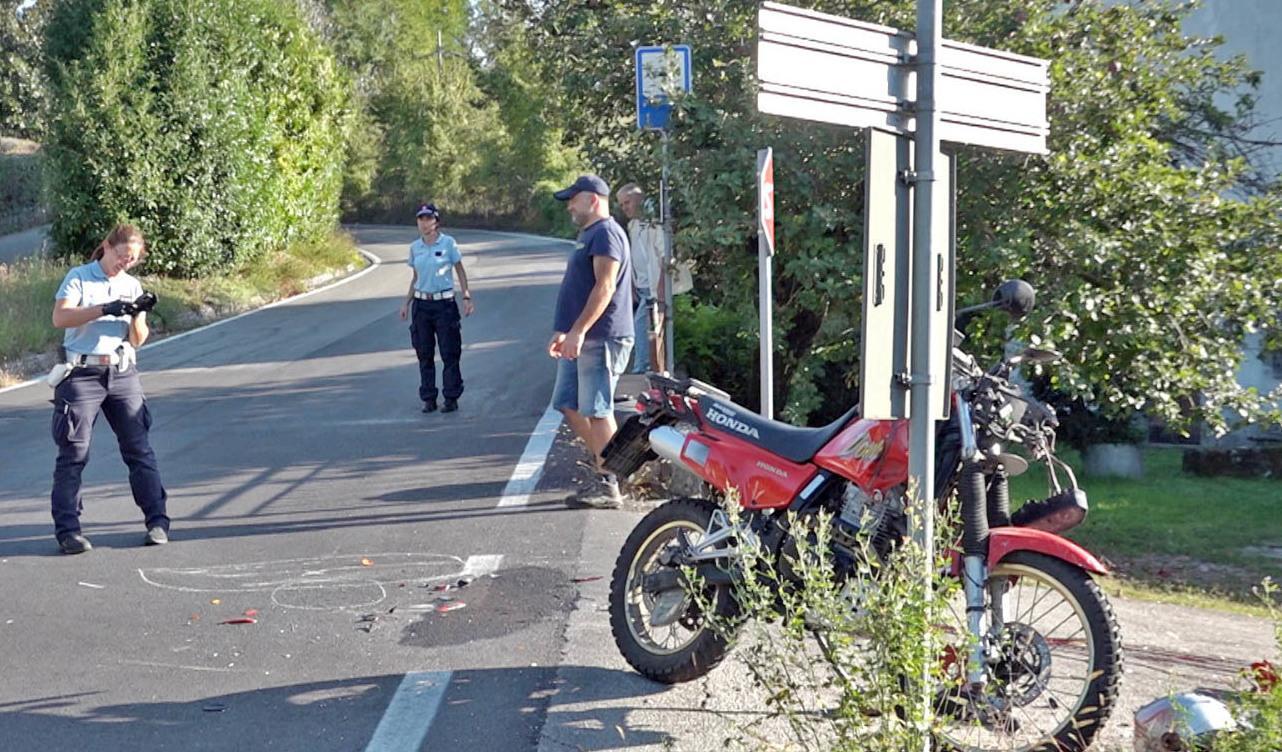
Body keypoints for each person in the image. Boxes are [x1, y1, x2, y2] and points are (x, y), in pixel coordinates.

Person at [48, 224, 169, 554]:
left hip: (121, 372)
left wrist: (138, 313)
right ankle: (69, 531)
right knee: (73, 454)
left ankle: (157, 521)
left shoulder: (130, 284)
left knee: (139, 449)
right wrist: (104, 308)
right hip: (81, 373)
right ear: (106, 247)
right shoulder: (80, 276)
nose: (124, 264)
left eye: (131, 260)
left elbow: (137, 339)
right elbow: (60, 318)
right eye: (120, 256)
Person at [549, 175, 634, 509]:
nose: (570, 205)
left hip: (602, 337)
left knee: (598, 410)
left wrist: (580, 331)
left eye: (574, 198)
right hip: (582, 337)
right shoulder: (588, 235)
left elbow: (605, 287)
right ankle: (610, 464)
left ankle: (610, 481)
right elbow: (578, 288)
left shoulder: (607, 233)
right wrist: (564, 330)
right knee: (567, 402)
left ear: (593, 199)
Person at [398, 202, 474, 413]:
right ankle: (429, 398)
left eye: (428, 218)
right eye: (421, 219)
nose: (424, 223)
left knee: (450, 352)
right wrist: (406, 303)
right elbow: (416, 278)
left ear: (436, 221)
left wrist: (466, 296)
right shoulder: (415, 248)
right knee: (424, 352)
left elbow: (459, 270)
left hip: (444, 304)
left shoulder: (448, 243)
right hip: (422, 305)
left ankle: (451, 397)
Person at [615, 183, 666, 374]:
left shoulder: (655, 224)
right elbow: (633, 257)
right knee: (643, 330)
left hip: (654, 289)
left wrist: (661, 290)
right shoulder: (633, 225)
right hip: (642, 287)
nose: (624, 208)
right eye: (621, 205)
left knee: (643, 329)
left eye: (627, 202)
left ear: (639, 200)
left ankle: (643, 370)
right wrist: (632, 285)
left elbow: (665, 258)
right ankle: (647, 369)